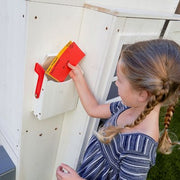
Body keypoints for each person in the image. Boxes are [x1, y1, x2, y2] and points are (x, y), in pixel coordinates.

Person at [56, 39, 180, 180]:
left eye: (120, 80)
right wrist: (78, 77)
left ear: (142, 94)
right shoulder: (128, 107)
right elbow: (94, 109)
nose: (116, 83)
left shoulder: (139, 148)